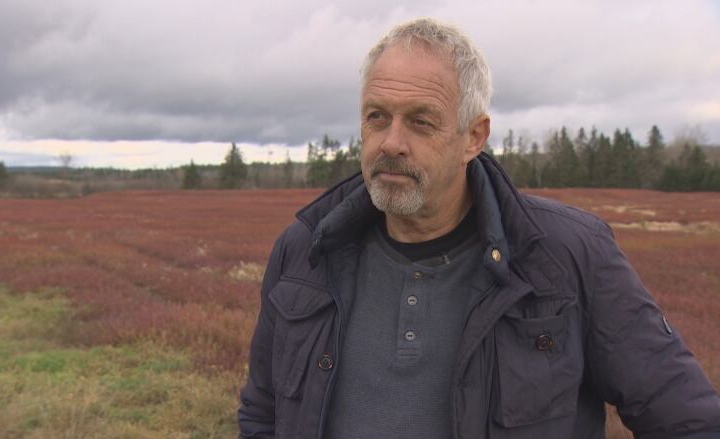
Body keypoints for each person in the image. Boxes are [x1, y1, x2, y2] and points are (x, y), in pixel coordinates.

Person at [238, 18, 720, 439]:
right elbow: (263, 415)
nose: (392, 142)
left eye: (422, 122)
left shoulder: (568, 254)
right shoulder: (305, 250)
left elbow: (688, 421)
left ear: (474, 137)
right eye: (377, 117)